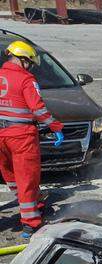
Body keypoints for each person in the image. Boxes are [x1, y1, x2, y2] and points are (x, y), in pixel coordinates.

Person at [0, 40, 61, 236]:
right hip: (21, 136)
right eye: (29, 63)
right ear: (23, 60)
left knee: (10, 174)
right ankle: (31, 223)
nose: (30, 66)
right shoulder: (26, 79)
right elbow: (38, 109)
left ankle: (33, 205)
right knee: (27, 177)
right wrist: (55, 126)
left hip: (1, 136)